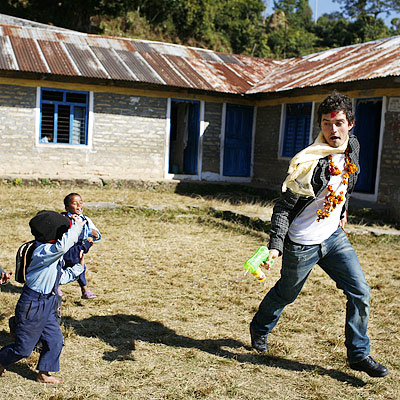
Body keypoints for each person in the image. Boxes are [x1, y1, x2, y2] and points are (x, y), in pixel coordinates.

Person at [249, 91, 389, 378]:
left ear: (350, 123)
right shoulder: (308, 163)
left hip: (333, 238)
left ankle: (358, 354)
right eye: (326, 123)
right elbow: (283, 208)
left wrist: (342, 209)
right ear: (320, 125)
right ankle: (259, 328)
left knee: (360, 292)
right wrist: (276, 246)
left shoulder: (353, 148)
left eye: (338, 123)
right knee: (286, 294)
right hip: (301, 243)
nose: (332, 130)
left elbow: (347, 181)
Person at [0, 210, 86, 384]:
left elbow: (58, 277)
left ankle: (43, 373)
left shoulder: (51, 253)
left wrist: (78, 268)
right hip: (33, 305)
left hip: (48, 302)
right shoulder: (43, 251)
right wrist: (76, 227)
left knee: (55, 340)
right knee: (23, 349)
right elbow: (63, 246)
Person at [61, 193, 101, 299]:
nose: (79, 205)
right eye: (74, 203)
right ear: (67, 207)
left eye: (81, 202)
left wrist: (94, 234)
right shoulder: (63, 219)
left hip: (78, 250)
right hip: (64, 249)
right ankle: (56, 288)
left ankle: (85, 290)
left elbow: (95, 233)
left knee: (80, 268)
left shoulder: (86, 220)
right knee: (59, 267)